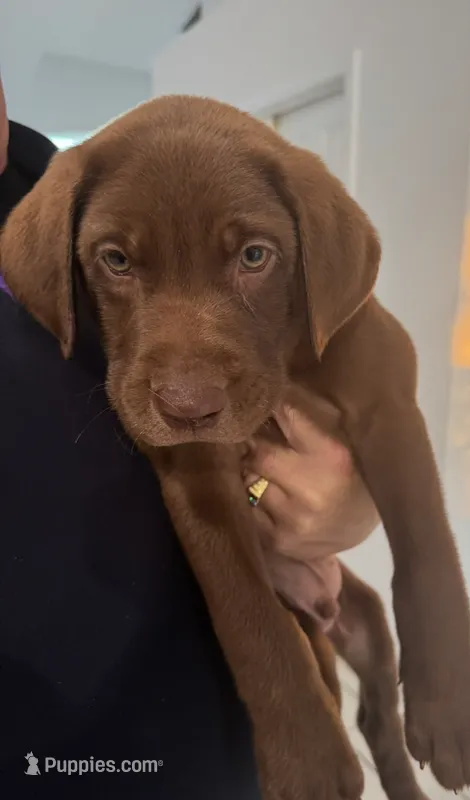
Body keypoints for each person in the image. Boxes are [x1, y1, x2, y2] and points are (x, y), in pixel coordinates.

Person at [0, 74, 379, 798]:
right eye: (117, 262)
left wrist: (341, 502)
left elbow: (310, 455)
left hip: (210, 741)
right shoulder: (65, 220)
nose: (186, 393)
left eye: (252, 257)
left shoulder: (81, 186)